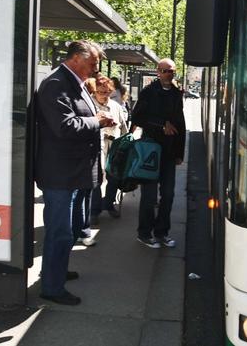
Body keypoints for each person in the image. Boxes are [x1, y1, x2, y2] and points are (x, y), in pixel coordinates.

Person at [35, 40, 114, 305]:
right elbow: (64, 126)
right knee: (60, 232)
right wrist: (98, 121)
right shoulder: (56, 84)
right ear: (76, 59)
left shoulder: (73, 82)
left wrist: (99, 119)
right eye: (92, 63)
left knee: (66, 230)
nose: (95, 68)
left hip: (72, 171)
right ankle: (52, 287)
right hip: (60, 174)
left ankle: (56, 272)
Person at [131, 58, 186, 248]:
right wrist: (161, 125)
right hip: (150, 150)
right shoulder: (148, 92)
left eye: (172, 71)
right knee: (149, 196)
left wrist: (180, 152)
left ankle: (162, 232)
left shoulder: (177, 94)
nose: (169, 75)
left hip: (169, 152)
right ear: (158, 72)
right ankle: (144, 233)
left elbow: (181, 124)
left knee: (169, 194)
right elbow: (137, 117)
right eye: (165, 71)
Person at [90, 74, 129, 224]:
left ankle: (109, 204)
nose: (103, 95)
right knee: (96, 179)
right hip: (95, 147)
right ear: (94, 91)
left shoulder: (116, 107)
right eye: (99, 92)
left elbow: (124, 129)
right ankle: (94, 210)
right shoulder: (90, 105)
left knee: (114, 177)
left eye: (106, 92)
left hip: (113, 148)